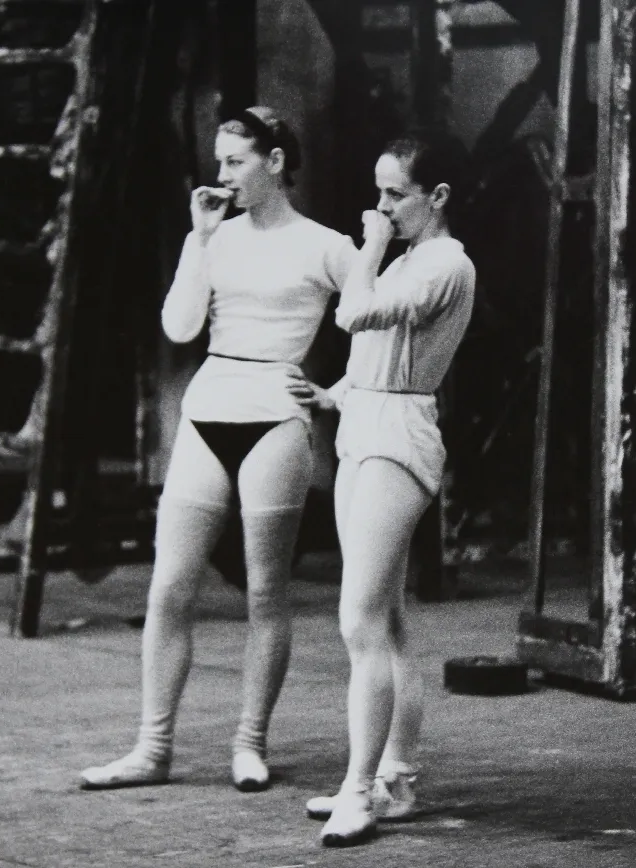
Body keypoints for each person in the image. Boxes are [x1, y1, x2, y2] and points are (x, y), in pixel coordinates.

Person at [80, 106, 356, 793]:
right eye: (219, 161)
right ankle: (151, 749)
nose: (222, 175)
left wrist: (334, 392)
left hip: (276, 420)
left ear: (275, 162)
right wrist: (200, 239)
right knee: (169, 587)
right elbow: (179, 328)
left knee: (265, 591)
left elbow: (380, 321)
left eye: (236, 161)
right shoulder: (212, 236)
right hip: (208, 412)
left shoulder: (325, 245)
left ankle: (249, 743)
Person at [289, 131, 475, 846]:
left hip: (397, 437)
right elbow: (376, 353)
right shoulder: (409, 261)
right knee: (387, 623)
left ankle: (358, 790)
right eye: (379, 191)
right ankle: (396, 779)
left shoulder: (446, 264)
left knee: (359, 620)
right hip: (365, 424)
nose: (383, 206)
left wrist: (366, 247)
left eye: (396, 193)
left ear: (438, 197)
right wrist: (333, 394)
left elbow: (353, 314)